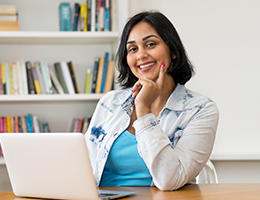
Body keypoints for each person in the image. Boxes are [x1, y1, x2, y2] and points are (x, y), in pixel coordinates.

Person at [84, 10, 219, 191]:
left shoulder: (201, 109)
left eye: (150, 44)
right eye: (133, 49)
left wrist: (143, 108)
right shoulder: (110, 102)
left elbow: (169, 180)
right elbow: (83, 167)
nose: (140, 55)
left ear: (172, 51)